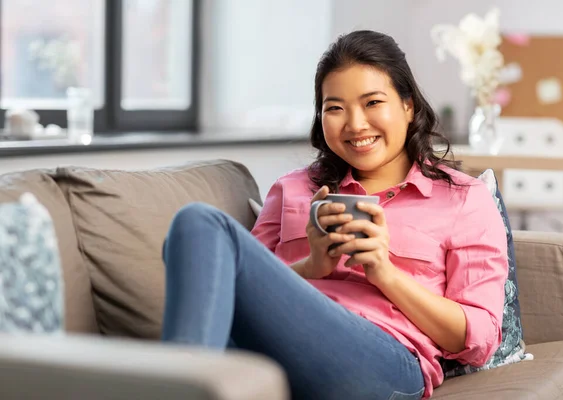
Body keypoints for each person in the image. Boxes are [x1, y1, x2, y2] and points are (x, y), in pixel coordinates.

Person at [161, 30, 508, 400]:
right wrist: (310, 268)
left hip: (383, 362)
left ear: (408, 106)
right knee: (196, 223)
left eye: (372, 102)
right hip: (270, 351)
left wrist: (384, 274)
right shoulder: (292, 190)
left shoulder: (462, 198)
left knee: (204, 225)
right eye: (335, 108)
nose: (355, 124)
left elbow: (479, 338)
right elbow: (237, 289)